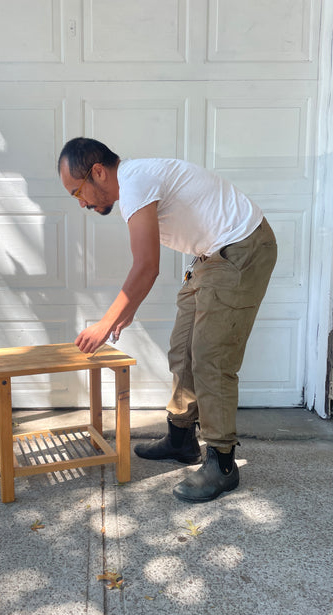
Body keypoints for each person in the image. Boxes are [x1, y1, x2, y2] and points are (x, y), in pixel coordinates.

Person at [57, 137, 277, 502]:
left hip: (243, 248)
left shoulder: (135, 183)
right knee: (181, 350)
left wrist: (104, 323)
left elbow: (147, 266)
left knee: (211, 356)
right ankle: (181, 440)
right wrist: (121, 315)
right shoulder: (134, 184)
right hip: (211, 256)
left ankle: (222, 463)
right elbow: (145, 269)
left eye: (78, 191)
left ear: (98, 172)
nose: (81, 203)